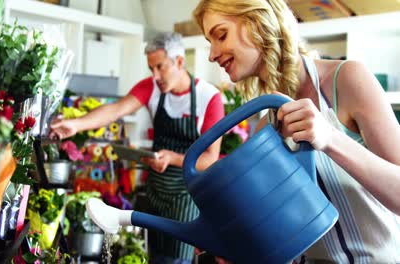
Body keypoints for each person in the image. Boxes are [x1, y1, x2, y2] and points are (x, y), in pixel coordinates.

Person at [193, 0, 400, 263]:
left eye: (221, 35)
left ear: (259, 23)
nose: (212, 54)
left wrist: (330, 139)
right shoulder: (264, 128)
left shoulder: (347, 80)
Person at [50, 32, 225, 263]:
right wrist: (76, 124)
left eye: (160, 67)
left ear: (179, 62)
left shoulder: (208, 98)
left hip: (185, 195)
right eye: (151, 68)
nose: (155, 75)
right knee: (153, 256)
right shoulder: (152, 88)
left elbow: (210, 159)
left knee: (175, 260)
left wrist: (171, 158)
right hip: (155, 190)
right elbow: (116, 109)